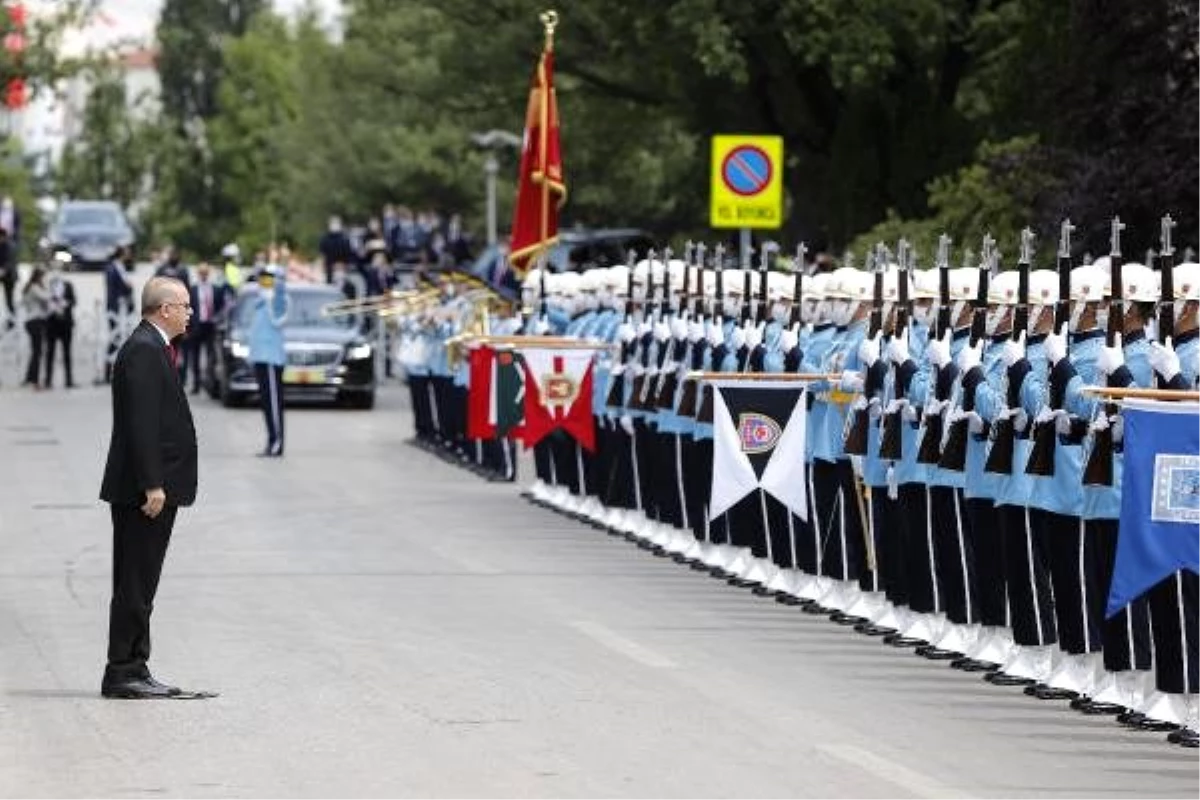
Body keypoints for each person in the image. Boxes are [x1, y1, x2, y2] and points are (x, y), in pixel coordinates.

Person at [98, 276, 197, 699]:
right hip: (143, 492)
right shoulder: (143, 350)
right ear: (165, 309)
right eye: (186, 305)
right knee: (135, 584)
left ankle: (135, 664)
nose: (191, 312)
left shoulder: (154, 347)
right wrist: (153, 484)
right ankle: (123, 670)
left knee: (142, 583)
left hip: (151, 488)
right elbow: (140, 425)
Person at [248, 264, 289, 457]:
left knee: (273, 403)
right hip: (260, 357)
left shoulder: (281, 298)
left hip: (272, 359)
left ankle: (276, 443)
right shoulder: (259, 300)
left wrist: (272, 298)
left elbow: (278, 320)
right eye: (262, 279)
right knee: (266, 403)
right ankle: (271, 440)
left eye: (268, 279)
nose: (263, 283)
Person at [186, 262, 223, 394]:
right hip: (196, 326)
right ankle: (196, 384)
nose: (203, 275)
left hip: (211, 326)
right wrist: (187, 327)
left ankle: (210, 384)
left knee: (211, 356)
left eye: (205, 273)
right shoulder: (192, 289)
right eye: (201, 273)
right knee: (194, 356)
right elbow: (187, 309)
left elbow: (220, 307)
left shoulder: (216, 289)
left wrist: (218, 320)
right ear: (198, 274)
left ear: (209, 274)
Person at [104, 247, 136, 383]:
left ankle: (120, 369)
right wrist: (127, 287)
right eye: (127, 254)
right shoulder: (112, 268)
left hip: (123, 309)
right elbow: (116, 289)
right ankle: (108, 369)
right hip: (116, 309)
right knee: (114, 337)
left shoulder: (121, 268)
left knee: (123, 338)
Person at [44, 255, 77, 388]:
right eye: (54, 267)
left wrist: (65, 304)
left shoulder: (68, 285)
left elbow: (74, 301)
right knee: (50, 352)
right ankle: (48, 380)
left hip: (65, 323)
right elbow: (45, 301)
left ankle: (69, 380)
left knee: (67, 352)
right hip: (52, 323)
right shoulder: (48, 285)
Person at [20, 266, 49, 389]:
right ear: (39, 277)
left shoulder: (28, 287)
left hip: (30, 321)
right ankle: (35, 380)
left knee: (35, 351)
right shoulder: (34, 287)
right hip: (35, 321)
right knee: (37, 352)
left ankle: (29, 377)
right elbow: (46, 297)